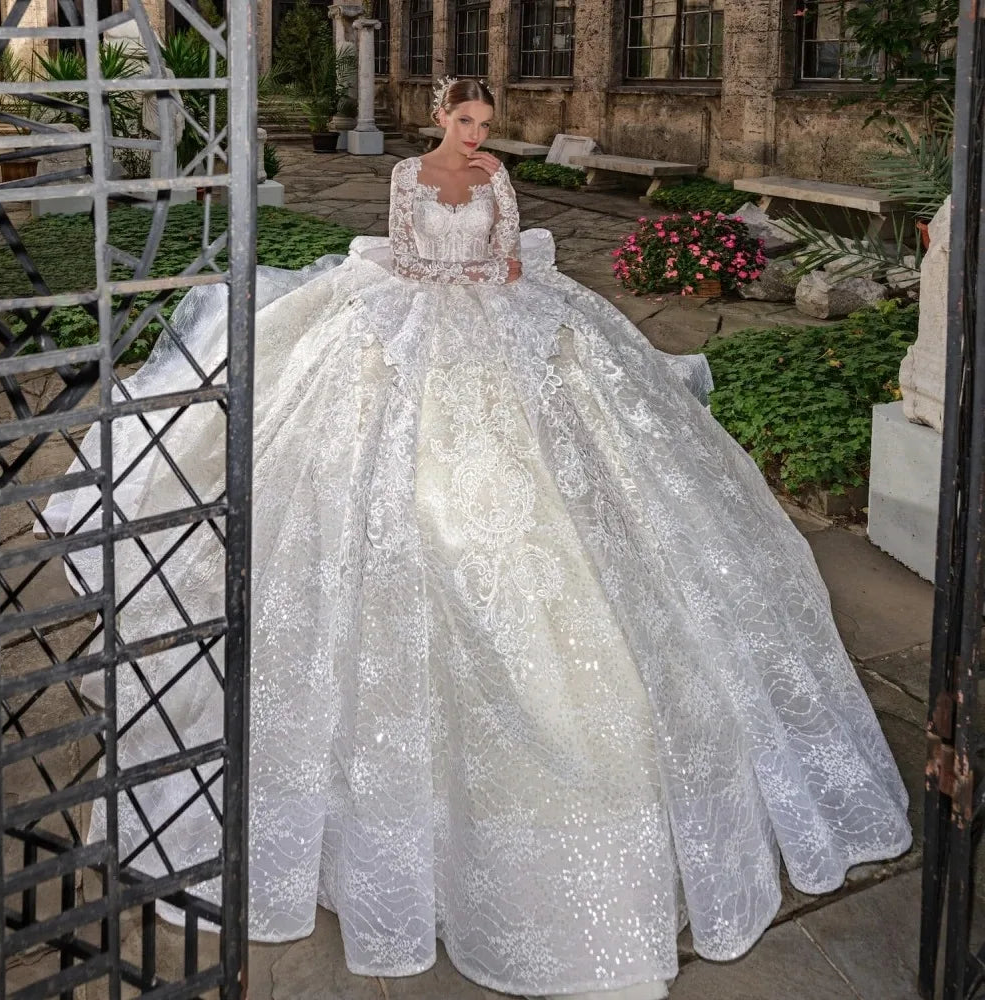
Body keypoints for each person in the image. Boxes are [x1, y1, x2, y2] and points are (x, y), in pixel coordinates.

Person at [45, 78, 910, 1000]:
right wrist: (450, 278)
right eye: (467, 122)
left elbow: (504, 258)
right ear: (441, 121)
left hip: (493, 317)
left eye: (486, 126)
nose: (479, 137)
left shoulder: (498, 178)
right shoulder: (410, 175)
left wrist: (482, 272)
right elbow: (411, 257)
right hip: (420, 313)